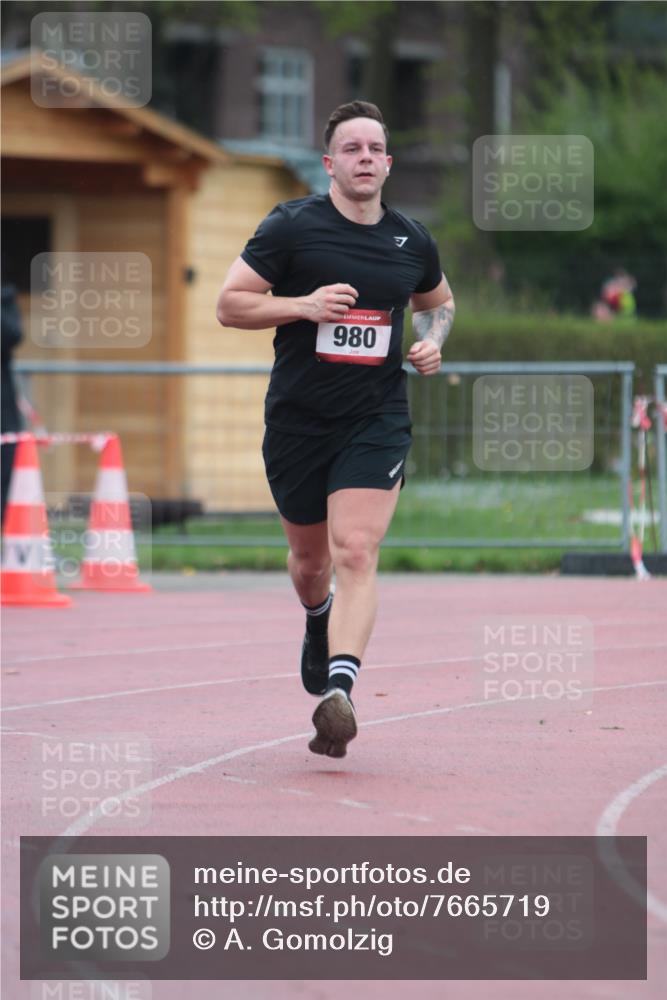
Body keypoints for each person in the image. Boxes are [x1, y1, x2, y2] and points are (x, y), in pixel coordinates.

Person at [216, 101, 455, 758]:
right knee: (310, 562)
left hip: (375, 418)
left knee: (354, 550)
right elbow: (229, 305)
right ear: (329, 163)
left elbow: (439, 303)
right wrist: (303, 305)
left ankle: (339, 695)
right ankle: (316, 619)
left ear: (388, 163)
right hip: (297, 420)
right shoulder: (290, 227)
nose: (365, 159)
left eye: (375, 149)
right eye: (351, 149)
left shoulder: (411, 239)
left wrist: (433, 340)